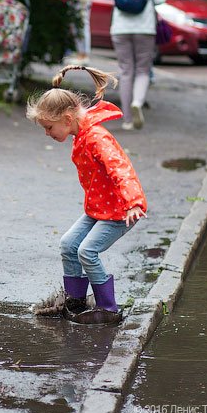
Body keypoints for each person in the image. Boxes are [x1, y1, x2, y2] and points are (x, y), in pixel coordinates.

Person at [26, 65, 147, 325]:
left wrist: (133, 202)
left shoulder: (96, 137)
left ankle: (108, 308)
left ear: (67, 119)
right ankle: (75, 301)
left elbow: (120, 167)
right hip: (99, 209)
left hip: (120, 210)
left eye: (49, 127)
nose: (47, 133)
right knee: (69, 245)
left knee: (87, 251)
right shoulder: (81, 132)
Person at [110, 0, 166, 130]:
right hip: (144, 27)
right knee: (142, 69)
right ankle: (137, 102)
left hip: (120, 26)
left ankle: (127, 120)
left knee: (125, 71)